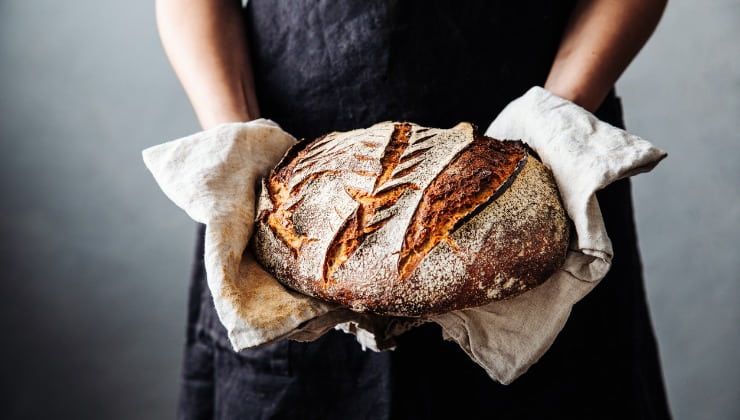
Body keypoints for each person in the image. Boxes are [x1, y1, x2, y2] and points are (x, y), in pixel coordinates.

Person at [156, 1, 671, 418]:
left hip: (541, 159)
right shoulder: (276, 196)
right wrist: (246, 147)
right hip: (296, 188)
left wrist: (557, 116)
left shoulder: (544, 154)